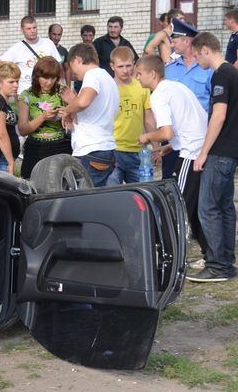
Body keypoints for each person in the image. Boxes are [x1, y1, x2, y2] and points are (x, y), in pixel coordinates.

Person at [188, 32, 238, 283]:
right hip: (233, 150)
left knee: (208, 208)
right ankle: (226, 262)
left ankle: (216, 266)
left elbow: (219, 115)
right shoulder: (236, 74)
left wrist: (203, 152)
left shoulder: (221, 74)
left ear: (205, 50)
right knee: (225, 208)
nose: (195, 59)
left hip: (220, 152)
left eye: (195, 54)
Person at [135, 55, 208, 257]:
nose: (137, 77)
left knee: (177, 206)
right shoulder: (176, 86)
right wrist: (171, 147)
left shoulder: (157, 95)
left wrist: (147, 137)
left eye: (139, 73)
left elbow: (166, 132)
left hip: (191, 153)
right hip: (199, 148)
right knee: (193, 209)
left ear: (152, 73)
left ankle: (171, 256)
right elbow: (187, 122)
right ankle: (209, 255)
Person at [60, 43, 119, 186]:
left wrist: (67, 110)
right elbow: (92, 111)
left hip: (91, 149)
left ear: (78, 60)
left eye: (72, 65)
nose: (73, 73)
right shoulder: (107, 78)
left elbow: (83, 102)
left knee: (85, 201)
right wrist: (73, 104)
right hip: (104, 147)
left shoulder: (92, 75)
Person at [163, 18, 213, 179]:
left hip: (197, 139)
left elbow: (216, 104)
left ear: (186, 41)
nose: (172, 44)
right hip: (173, 137)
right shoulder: (169, 70)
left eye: (175, 40)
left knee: (194, 183)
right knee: (169, 182)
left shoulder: (207, 70)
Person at [17, 56, 70, 179]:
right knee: (32, 185)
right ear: (36, 77)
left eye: (53, 78)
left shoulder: (62, 91)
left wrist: (67, 113)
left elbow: (79, 117)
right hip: (35, 148)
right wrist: (43, 117)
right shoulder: (26, 95)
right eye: (45, 78)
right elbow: (23, 130)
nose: (49, 82)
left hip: (60, 145)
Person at [109, 46, 155, 184]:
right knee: (112, 195)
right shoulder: (107, 87)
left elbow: (148, 116)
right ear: (112, 66)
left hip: (138, 151)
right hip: (113, 150)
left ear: (134, 64)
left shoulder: (142, 86)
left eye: (129, 66)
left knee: (142, 194)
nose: (125, 70)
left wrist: (156, 145)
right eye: (120, 66)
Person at [0, 15, 61, 91]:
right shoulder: (16, 48)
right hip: (25, 92)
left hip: (47, 90)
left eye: (34, 28)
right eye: (29, 28)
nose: (32, 31)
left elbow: (58, 66)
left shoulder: (48, 44)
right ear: (22, 30)